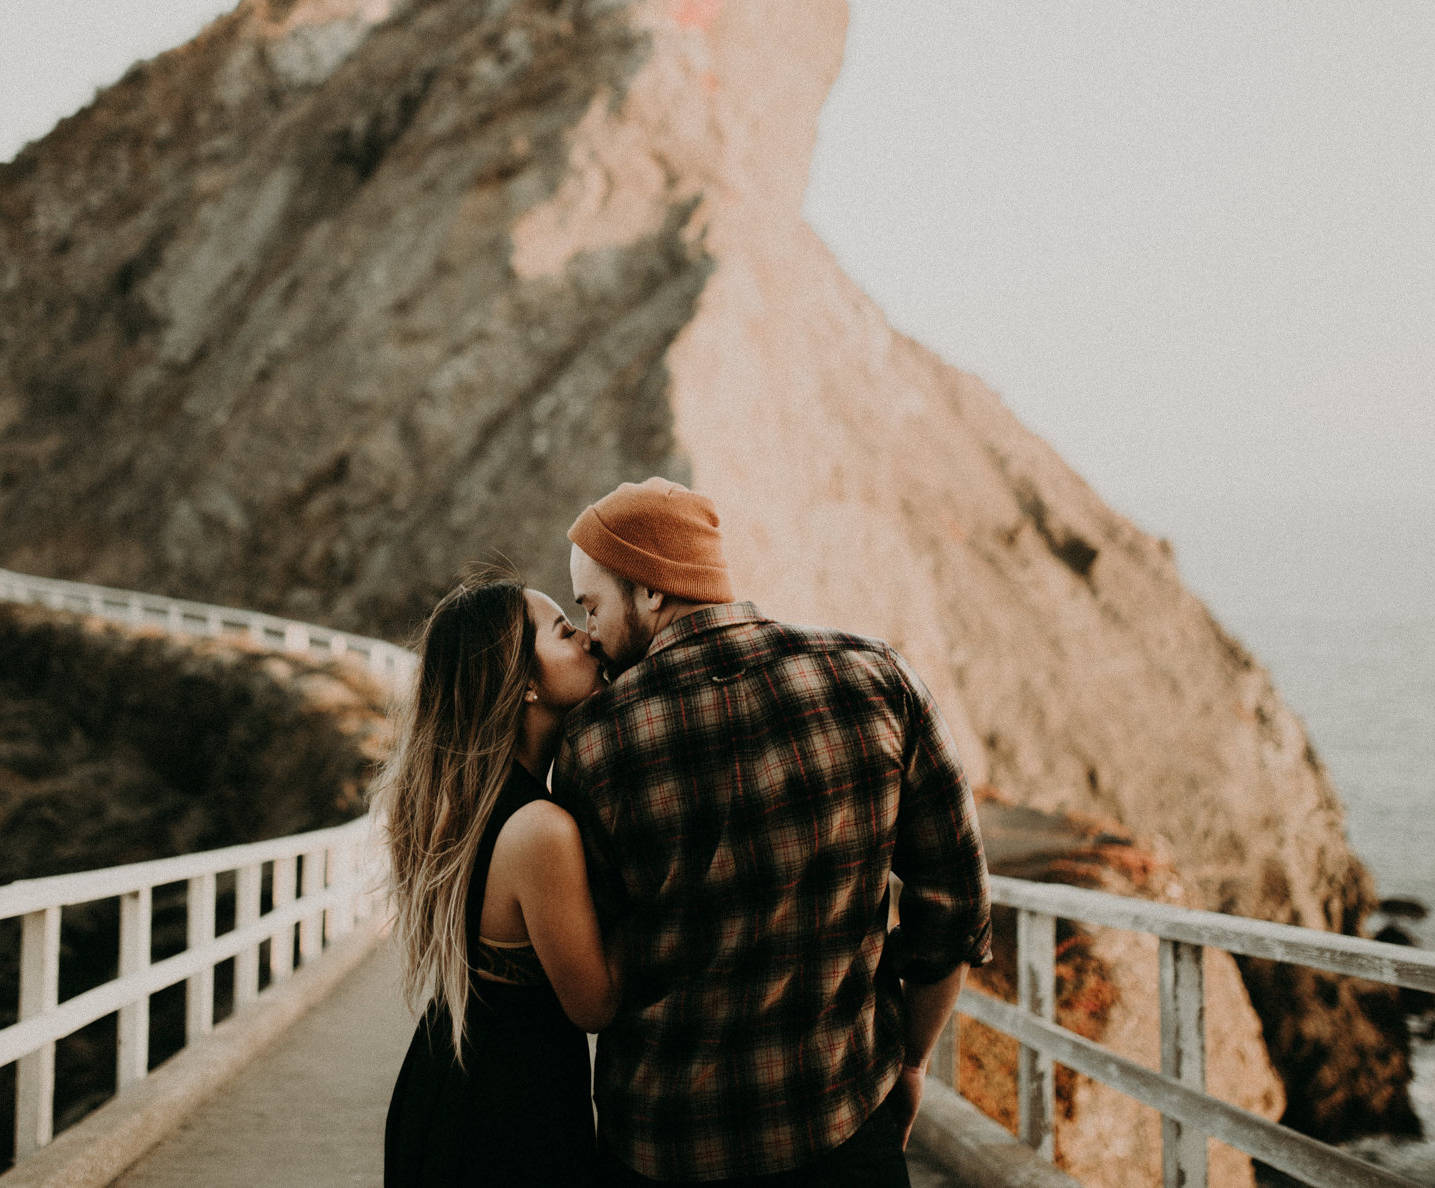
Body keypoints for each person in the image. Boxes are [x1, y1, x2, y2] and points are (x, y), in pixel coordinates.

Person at [556, 478, 994, 1186]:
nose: (594, 636)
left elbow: (603, 955)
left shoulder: (593, 744)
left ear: (651, 591)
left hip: (666, 1149)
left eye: (592, 605)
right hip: (842, 1130)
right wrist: (910, 1061)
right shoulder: (878, 679)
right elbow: (956, 905)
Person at [382, 567, 621, 1187]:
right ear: (523, 685)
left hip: (446, 1086)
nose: (590, 640)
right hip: (508, 1116)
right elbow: (593, 1003)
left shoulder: (459, 805)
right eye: (566, 633)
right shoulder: (540, 829)